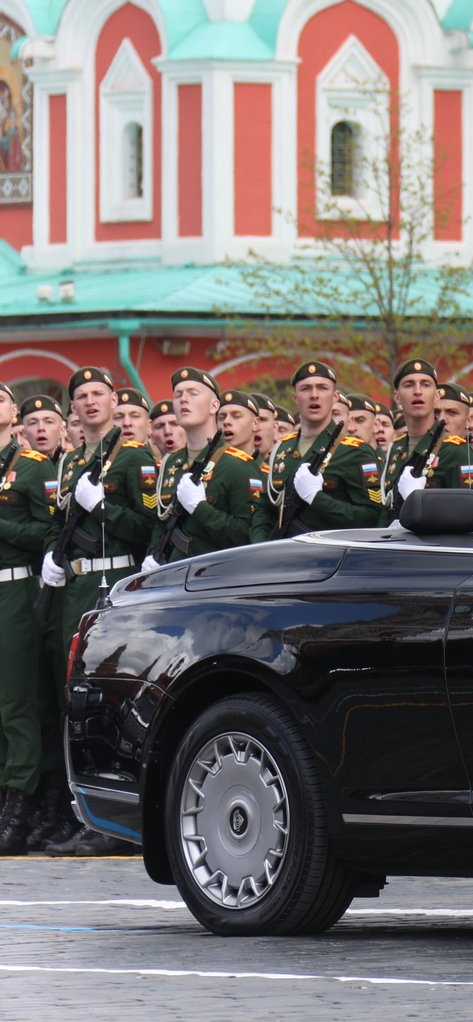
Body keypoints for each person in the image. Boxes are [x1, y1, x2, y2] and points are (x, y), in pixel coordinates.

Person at [38, 367, 157, 855]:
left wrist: (104, 504)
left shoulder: (131, 458)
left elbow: (148, 521)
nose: (90, 403)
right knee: (76, 701)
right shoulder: (70, 464)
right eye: (81, 396)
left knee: (111, 699)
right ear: (73, 409)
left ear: (113, 401)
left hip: (114, 582)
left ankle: (118, 817)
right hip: (76, 584)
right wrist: (51, 555)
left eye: (98, 394)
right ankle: (83, 809)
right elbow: (57, 521)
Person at [0, 396, 64, 854]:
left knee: (17, 702)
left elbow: (47, 533)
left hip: (16, 589)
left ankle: (19, 809)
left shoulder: (34, 465)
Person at [256, 362, 382, 540]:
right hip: (283, 556)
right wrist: (261, 547)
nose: (314, 395)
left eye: (322, 388)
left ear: (335, 397)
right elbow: (265, 509)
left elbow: (372, 517)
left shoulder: (356, 452)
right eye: (305, 389)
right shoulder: (281, 449)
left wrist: (316, 498)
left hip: (331, 558)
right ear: (295, 397)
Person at [146, 369, 259, 567]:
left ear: (214, 405)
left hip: (217, 578)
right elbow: (161, 520)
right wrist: (152, 554)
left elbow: (248, 534)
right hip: (174, 577)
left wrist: (200, 508)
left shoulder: (237, 465)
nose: (183, 400)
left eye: (193, 393)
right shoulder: (170, 464)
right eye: (178, 395)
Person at [384, 361, 473, 515]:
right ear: (397, 397)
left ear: (437, 395)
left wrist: (420, 502)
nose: (417, 391)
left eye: (425, 385)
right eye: (408, 385)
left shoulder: (454, 450)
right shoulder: (396, 448)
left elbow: (466, 513)